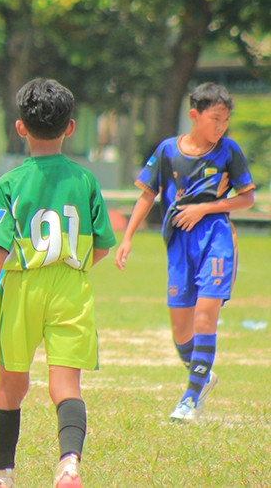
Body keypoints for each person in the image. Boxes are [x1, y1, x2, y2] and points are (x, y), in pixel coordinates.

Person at [0, 78, 116, 488]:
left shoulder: (10, 183)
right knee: (66, 385)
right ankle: (68, 464)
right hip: (71, 285)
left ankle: (2, 475)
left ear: (20, 127)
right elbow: (103, 244)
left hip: (23, 287)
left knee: (10, 385)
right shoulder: (85, 180)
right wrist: (74, 266)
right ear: (70, 128)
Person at [115, 82, 254, 424]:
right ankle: (203, 376)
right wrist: (128, 237)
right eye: (216, 119)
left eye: (226, 120)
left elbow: (247, 197)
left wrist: (205, 210)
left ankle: (191, 398)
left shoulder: (228, 151)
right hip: (178, 242)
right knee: (180, 330)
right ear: (195, 115)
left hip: (215, 238)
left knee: (205, 315)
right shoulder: (167, 150)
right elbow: (148, 194)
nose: (221, 127)